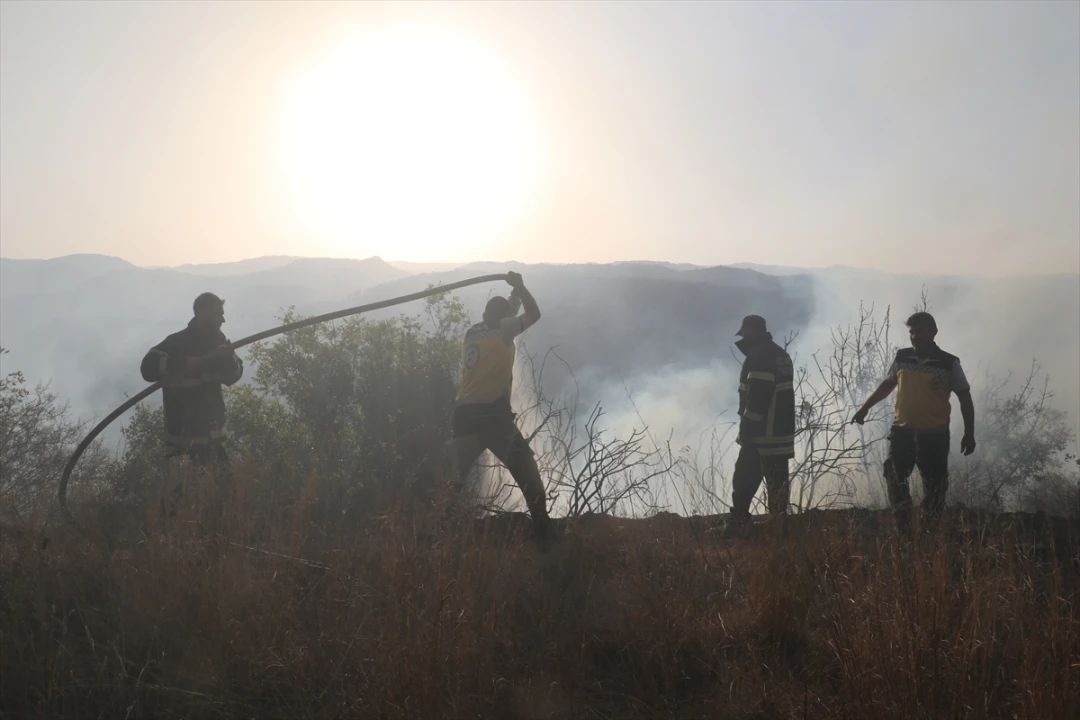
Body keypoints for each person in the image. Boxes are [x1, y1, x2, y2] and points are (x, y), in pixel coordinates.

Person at [453, 271, 550, 539]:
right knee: (528, 474)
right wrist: (521, 285)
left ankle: (438, 535)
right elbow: (534, 313)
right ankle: (544, 534)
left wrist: (513, 296)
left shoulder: (474, 332)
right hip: (492, 415)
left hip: (463, 414)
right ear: (504, 318)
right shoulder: (505, 329)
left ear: (484, 315)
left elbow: (506, 315)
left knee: (455, 481)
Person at [852, 311, 975, 520]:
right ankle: (904, 523)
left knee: (935, 487)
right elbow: (888, 385)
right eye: (912, 332)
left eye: (921, 331)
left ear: (934, 332)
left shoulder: (948, 363)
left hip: (935, 436)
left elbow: (965, 397)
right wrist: (864, 408)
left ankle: (930, 528)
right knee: (893, 475)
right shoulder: (902, 357)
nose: (915, 336)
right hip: (902, 432)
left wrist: (969, 434)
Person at [140, 292, 244, 472]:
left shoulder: (219, 343)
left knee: (225, 496)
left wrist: (227, 359)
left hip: (213, 444)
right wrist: (189, 363)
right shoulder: (176, 342)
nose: (223, 320)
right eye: (218, 314)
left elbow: (233, 376)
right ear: (203, 314)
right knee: (185, 497)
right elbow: (147, 368)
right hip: (183, 449)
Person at [730, 315, 796, 524]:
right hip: (780, 434)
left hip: (760, 435)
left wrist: (747, 427)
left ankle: (739, 523)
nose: (744, 337)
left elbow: (758, 396)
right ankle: (778, 526)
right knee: (777, 483)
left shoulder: (759, 356)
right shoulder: (780, 354)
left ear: (751, 330)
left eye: (745, 333)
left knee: (744, 479)